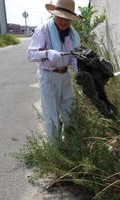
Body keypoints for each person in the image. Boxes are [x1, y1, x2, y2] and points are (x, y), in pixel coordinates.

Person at [26, 0, 84, 145]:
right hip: (48, 76)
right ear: (54, 15)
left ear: (71, 19)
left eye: (67, 18)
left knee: (70, 111)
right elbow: (30, 55)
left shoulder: (72, 35)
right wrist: (46, 52)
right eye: (61, 17)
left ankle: (70, 144)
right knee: (51, 114)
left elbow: (74, 58)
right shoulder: (43, 30)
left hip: (65, 75)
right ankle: (55, 149)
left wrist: (80, 74)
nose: (64, 21)